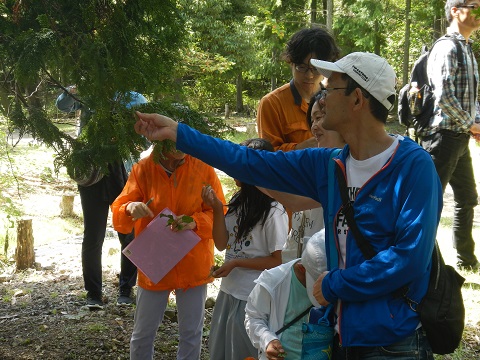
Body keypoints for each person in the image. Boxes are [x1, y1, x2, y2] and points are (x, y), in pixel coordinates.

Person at [133, 51, 443, 359]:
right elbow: (250, 161)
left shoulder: (412, 166)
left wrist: (336, 284)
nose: (320, 100)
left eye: (331, 89)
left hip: (395, 343)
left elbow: (409, 259)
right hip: (338, 335)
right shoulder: (329, 164)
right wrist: (179, 134)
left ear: (357, 100)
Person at [110, 143, 225, 360]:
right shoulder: (143, 168)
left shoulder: (203, 168)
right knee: (143, 333)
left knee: (191, 333)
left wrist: (195, 222)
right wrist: (130, 208)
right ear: (161, 140)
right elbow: (120, 209)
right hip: (155, 261)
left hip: (193, 263)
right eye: (174, 139)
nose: (181, 145)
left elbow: (221, 212)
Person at [56, 88, 147, 308]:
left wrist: (131, 140)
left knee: (128, 233)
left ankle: (126, 288)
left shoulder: (135, 98)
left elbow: (145, 140)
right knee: (93, 234)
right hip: (92, 172)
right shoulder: (89, 92)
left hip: (123, 171)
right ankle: (93, 294)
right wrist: (73, 89)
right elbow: (62, 105)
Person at [201, 138, 288, 360]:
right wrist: (216, 210)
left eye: (239, 163)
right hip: (229, 291)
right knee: (221, 351)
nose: (232, 168)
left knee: (243, 353)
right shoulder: (239, 202)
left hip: (252, 297)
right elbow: (222, 244)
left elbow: (277, 260)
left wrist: (237, 263)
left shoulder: (274, 210)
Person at [418, 0, 480, 271]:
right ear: (456, 10)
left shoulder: (466, 47)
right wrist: (471, 124)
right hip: (441, 137)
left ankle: (466, 260)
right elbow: (443, 96)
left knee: (467, 198)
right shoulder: (446, 47)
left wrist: (473, 123)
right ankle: (425, 264)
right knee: (429, 205)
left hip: (458, 137)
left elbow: (468, 97)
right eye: (475, 6)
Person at [266, 91, 346, 262]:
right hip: (298, 267)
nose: (314, 127)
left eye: (319, 117)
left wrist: (251, 170)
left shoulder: (347, 165)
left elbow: (295, 201)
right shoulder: (316, 162)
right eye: (312, 120)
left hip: (322, 270)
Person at [245, 229, 327, 360]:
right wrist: (267, 340)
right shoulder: (273, 281)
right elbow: (253, 317)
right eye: (314, 281)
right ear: (301, 267)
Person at [256, 27, 340, 151]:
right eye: (302, 67)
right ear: (291, 63)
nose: (309, 75)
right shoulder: (272, 104)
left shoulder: (337, 99)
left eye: (316, 69)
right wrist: (304, 147)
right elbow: (268, 155)